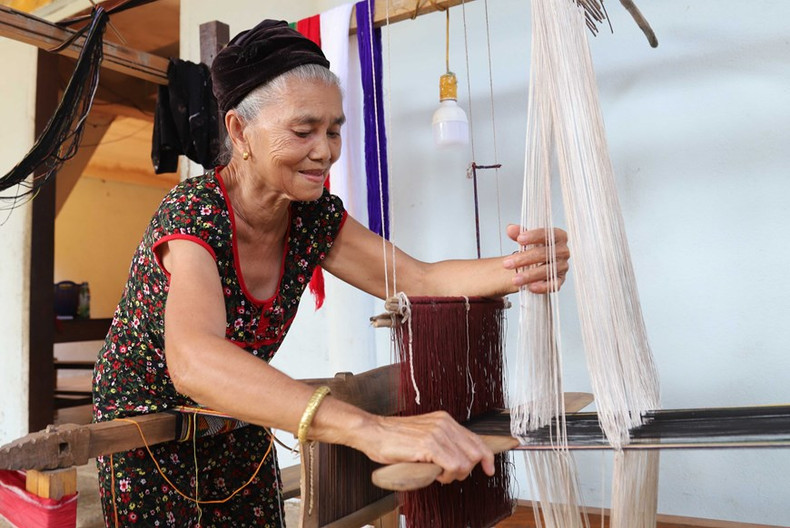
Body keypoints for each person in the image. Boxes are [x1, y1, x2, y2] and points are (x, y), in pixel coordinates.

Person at [92, 19, 570, 527]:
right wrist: (369, 429)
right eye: (303, 132)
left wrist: (523, 267)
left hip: (236, 414)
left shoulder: (310, 215)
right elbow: (194, 360)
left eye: (334, 130)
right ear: (239, 131)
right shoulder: (194, 214)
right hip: (145, 436)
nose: (325, 151)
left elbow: (418, 281)